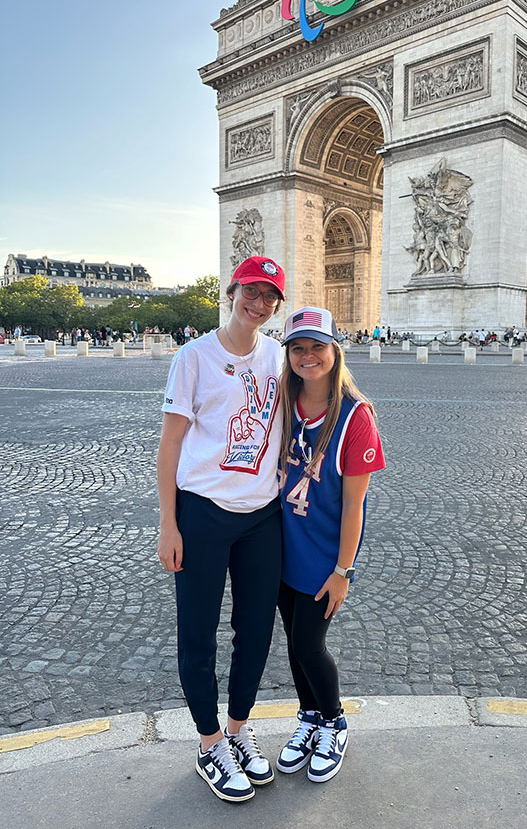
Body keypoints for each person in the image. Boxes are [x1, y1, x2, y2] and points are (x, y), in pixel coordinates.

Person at [157, 256, 286, 804]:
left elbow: (319, 391)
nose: (258, 304)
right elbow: (170, 445)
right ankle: (209, 742)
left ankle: (237, 729)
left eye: (269, 297)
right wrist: (169, 522)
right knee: (199, 632)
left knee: (256, 631)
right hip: (203, 511)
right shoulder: (193, 358)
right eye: (250, 292)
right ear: (232, 290)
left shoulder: (278, 355)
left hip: (263, 515)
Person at [275, 306, 385, 783]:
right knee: (294, 645)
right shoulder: (281, 399)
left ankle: (334, 722)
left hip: (323, 557)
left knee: (307, 644)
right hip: (279, 548)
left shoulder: (356, 415)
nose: (307, 356)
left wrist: (343, 571)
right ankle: (308, 717)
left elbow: (355, 506)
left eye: (317, 346)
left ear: (334, 349)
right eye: (297, 347)